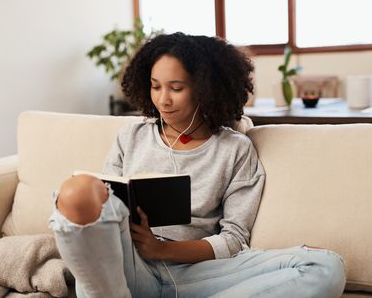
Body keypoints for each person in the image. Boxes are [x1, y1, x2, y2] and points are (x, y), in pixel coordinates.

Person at [49, 33, 346, 298]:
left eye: (175, 88)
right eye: (155, 87)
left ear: (205, 89)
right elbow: (104, 210)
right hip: (128, 267)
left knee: (324, 266)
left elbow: (234, 240)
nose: (163, 100)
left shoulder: (235, 149)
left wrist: (162, 249)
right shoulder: (131, 136)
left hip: (197, 274)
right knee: (79, 191)